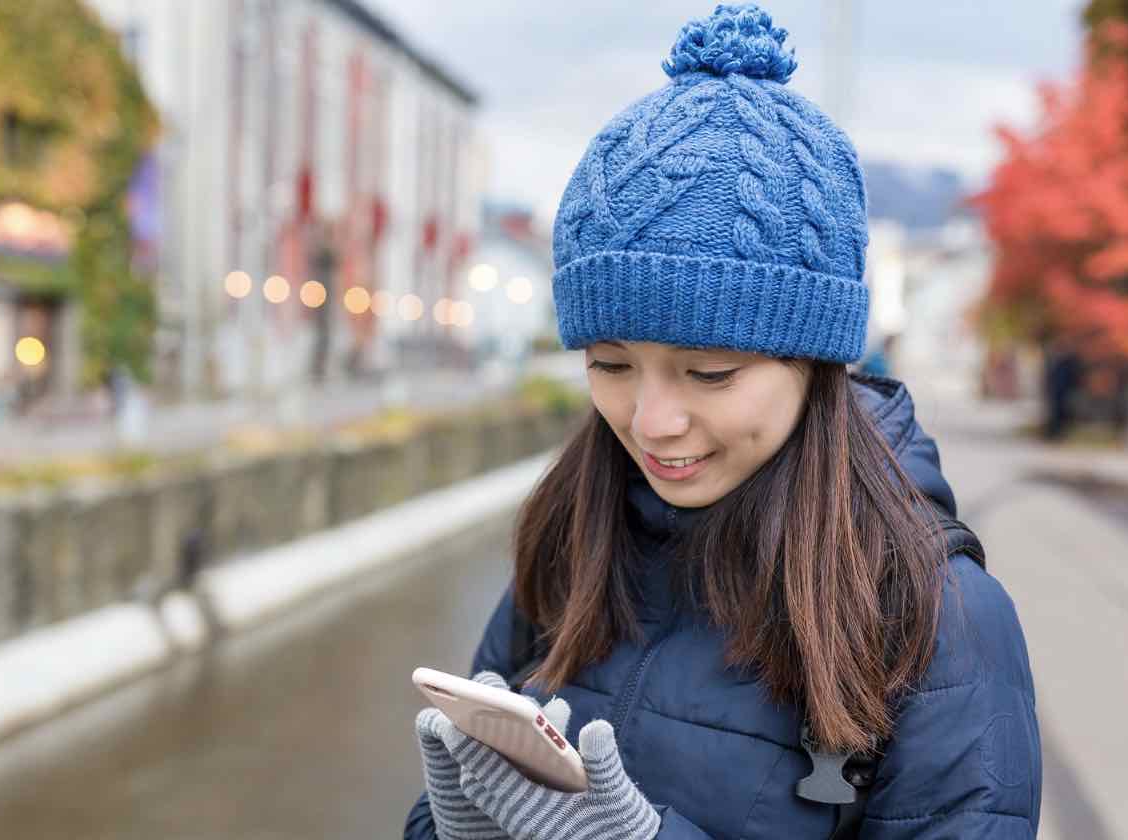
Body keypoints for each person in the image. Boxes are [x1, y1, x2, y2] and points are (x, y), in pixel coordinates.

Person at [403, 6, 1041, 839]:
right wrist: (453, 824)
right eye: (610, 364)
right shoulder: (573, 538)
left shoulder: (941, 619)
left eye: (710, 373)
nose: (653, 421)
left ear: (815, 364)